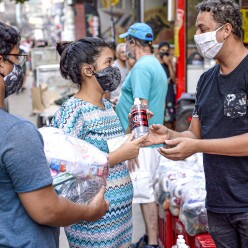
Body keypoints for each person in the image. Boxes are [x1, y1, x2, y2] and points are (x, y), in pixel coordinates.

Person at [143, 1, 248, 247]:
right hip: (217, 203)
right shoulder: (206, 81)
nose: (197, 36)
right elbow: (195, 134)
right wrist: (168, 135)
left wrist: (198, 146)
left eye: (202, 29)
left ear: (226, 30)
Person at [0, 22, 109, 248]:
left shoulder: (108, 106)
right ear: (1, 61)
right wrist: (90, 212)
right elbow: (47, 209)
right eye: (16, 57)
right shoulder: (16, 133)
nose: (19, 66)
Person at [50, 37, 148, 248]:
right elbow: (62, 168)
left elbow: (112, 147)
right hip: (94, 222)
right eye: (108, 62)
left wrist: (133, 127)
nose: (114, 68)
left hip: (120, 219)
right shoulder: (73, 111)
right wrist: (118, 157)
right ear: (88, 70)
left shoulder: (106, 106)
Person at [116, 22, 167, 248]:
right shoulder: (153, 64)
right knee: (148, 195)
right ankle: (149, 238)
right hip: (148, 141)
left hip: (144, 143)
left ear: (133, 42)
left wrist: (133, 145)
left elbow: (141, 108)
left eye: (127, 41)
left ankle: (153, 244)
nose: (125, 46)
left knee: (146, 196)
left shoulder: (141, 67)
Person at [157, 41, 176, 130]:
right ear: (158, 51)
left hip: (169, 94)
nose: (164, 52)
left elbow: (174, 79)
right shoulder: (156, 64)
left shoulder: (169, 64)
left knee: (170, 120)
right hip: (160, 95)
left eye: (167, 50)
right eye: (162, 50)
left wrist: (169, 64)